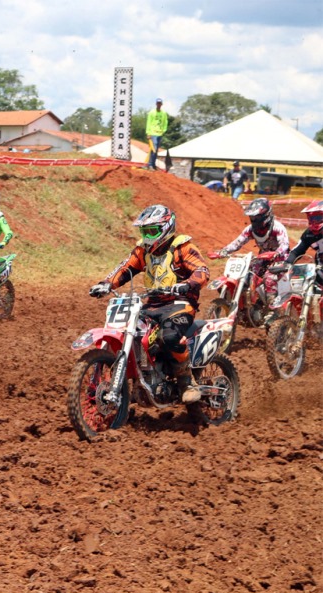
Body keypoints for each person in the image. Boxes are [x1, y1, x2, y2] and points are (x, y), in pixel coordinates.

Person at [89, 205, 210, 404]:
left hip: (179, 304)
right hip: (151, 304)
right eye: (144, 231)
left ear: (166, 228)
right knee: (133, 333)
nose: (147, 236)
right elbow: (125, 268)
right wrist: (105, 284)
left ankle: (187, 381)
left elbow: (202, 271)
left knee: (169, 336)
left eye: (152, 231)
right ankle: (140, 379)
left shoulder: (182, 247)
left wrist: (187, 285)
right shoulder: (143, 250)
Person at [215, 198, 290, 305]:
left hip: (280, 259)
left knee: (269, 278)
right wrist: (223, 251)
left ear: (266, 215)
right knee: (247, 274)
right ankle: (247, 303)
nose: (254, 219)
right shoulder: (250, 230)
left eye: (257, 216)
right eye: (252, 217)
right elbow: (237, 243)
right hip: (262, 258)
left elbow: (285, 245)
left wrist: (276, 253)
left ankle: (273, 308)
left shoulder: (277, 228)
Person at [285, 200, 323, 289]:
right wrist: (286, 264)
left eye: (317, 218)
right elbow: (296, 251)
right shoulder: (308, 234)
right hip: (320, 269)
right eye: (311, 219)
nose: (314, 222)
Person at [144, 98, 168, 170]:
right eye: (157, 103)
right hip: (153, 133)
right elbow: (149, 123)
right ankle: (150, 164)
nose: (159, 104)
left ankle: (152, 164)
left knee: (156, 149)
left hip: (159, 133)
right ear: (156, 104)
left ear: (161, 104)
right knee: (154, 148)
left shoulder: (163, 113)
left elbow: (165, 122)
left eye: (160, 103)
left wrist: (163, 130)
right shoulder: (152, 112)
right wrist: (148, 133)